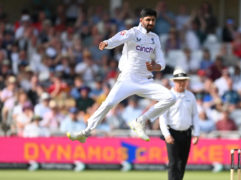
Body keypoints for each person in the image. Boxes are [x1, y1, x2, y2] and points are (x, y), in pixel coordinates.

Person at [67, 8, 176, 143]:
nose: (150, 22)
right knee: (108, 103)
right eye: (148, 19)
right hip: (128, 79)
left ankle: (141, 121)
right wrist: (107, 43)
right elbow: (119, 37)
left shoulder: (155, 38)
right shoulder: (133, 33)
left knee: (171, 98)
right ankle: (86, 132)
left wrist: (155, 67)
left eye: (153, 20)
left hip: (145, 81)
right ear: (141, 20)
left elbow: (162, 63)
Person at [159, 68, 199, 180]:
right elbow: (162, 117)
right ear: (174, 81)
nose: (181, 83)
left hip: (186, 133)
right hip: (172, 133)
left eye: (183, 80)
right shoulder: (168, 96)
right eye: (179, 80)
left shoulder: (190, 96)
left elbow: (195, 115)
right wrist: (166, 134)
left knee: (182, 163)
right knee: (173, 163)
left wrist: (196, 133)